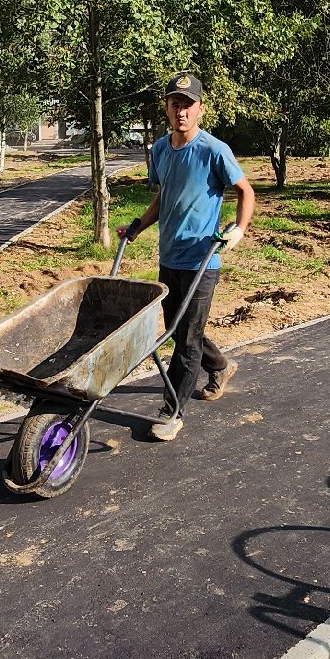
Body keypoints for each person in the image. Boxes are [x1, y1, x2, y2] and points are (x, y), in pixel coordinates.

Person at [118, 72, 255, 441]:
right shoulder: (160, 150)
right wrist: (138, 226)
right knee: (181, 331)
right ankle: (221, 365)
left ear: (200, 110)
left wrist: (238, 230)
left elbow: (246, 191)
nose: (181, 111)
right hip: (170, 257)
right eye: (175, 104)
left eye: (188, 105)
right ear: (167, 108)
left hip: (202, 260)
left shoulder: (214, 150)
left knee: (187, 339)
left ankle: (172, 411)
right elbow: (165, 197)